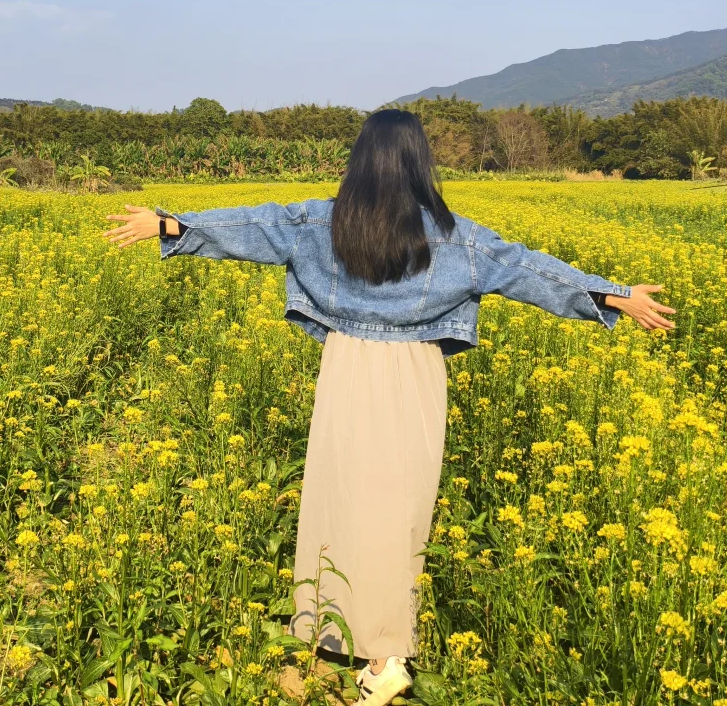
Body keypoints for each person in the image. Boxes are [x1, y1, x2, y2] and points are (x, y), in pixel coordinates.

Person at [103, 110, 675, 704]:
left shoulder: (322, 222)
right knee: (400, 506)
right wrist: (612, 294)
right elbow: (526, 269)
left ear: (361, 161)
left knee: (343, 498)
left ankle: (344, 625)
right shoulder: (457, 236)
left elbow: (255, 226)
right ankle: (387, 651)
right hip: (415, 373)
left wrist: (172, 224)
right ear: (419, 162)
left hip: (347, 367)